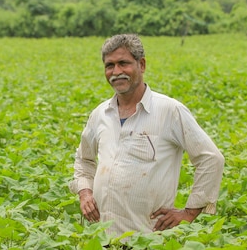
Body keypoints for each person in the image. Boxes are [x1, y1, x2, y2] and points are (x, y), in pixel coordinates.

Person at [69, 34, 224, 239]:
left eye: (123, 63)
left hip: (149, 239)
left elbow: (211, 159)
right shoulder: (100, 114)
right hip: (102, 238)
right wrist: (85, 192)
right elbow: (84, 159)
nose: (116, 72)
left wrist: (189, 212)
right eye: (110, 65)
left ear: (141, 65)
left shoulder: (169, 110)